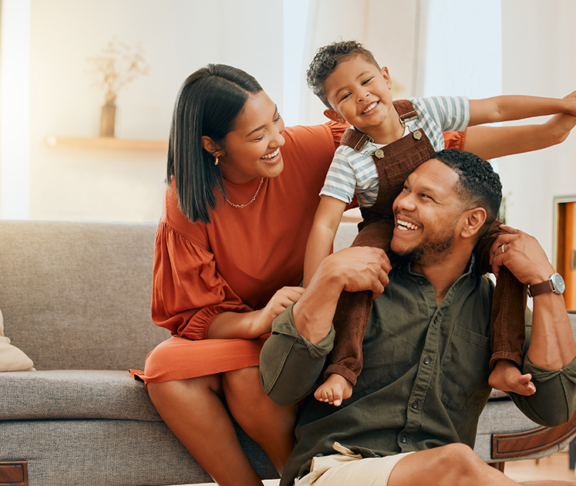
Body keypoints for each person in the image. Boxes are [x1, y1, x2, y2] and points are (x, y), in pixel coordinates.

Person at [129, 63, 576, 486]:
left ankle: (298, 469)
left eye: (277, 120)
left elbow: (427, 145)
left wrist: (552, 131)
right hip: (273, 317)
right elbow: (196, 310)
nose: (277, 140)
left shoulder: (316, 148)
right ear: (213, 145)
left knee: (249, 377)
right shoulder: (189, 201)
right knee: (168, 368)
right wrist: (285, 305)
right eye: (257, 135)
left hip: (304, 315)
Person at [260, 149, 576, 486]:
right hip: (335, 469)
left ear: (471, 222)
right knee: (457, 463)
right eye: (406, 190)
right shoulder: (353, 281)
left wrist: (546, 282)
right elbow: (280, 386)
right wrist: (326, 278)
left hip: (435, 477)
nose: (403, 203)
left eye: (425, 197)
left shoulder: (496, 310)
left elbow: (555, 408)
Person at [302, 40, 576, 406]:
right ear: (335, 116)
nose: (363, 96)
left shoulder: (424, 112)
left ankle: (505, 359)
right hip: (386, 224)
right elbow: (324, 225)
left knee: (510, 251)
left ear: (385, 77)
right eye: (346, 96)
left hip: (443, 212)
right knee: (356, 276)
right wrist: (314, 286)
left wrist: (561, 105)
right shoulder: (349, 158)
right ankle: (343, 367)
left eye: (367, 81)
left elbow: (495, 108)